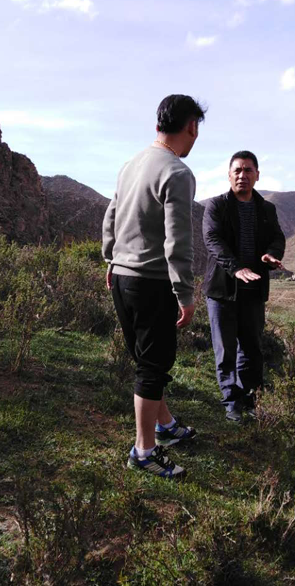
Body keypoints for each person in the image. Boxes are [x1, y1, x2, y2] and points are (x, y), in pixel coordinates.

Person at [102, 94, 205, 479]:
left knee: (148, 360)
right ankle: (144, 452)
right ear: (191, 126)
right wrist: (186, 294)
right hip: (152, 281)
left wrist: (110, 259)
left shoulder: (131, 164)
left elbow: (111, 216)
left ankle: (165, 425)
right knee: (153, 364)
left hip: (122, 276)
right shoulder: (177, 172)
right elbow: (178, 241)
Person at [202, 151, 285, 422]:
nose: (242, 175)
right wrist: (236, 268)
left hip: (254, 291)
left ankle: (250, 400)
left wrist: (271, 254)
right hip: (222, 291)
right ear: (229, 175)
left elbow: (277, 237)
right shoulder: (217, 206)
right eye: (237, 170)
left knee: (251, 348)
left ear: (257, 175)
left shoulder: (267, 209)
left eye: (248, 170)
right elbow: (212, 240)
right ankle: (231, 403)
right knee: (225, 350)